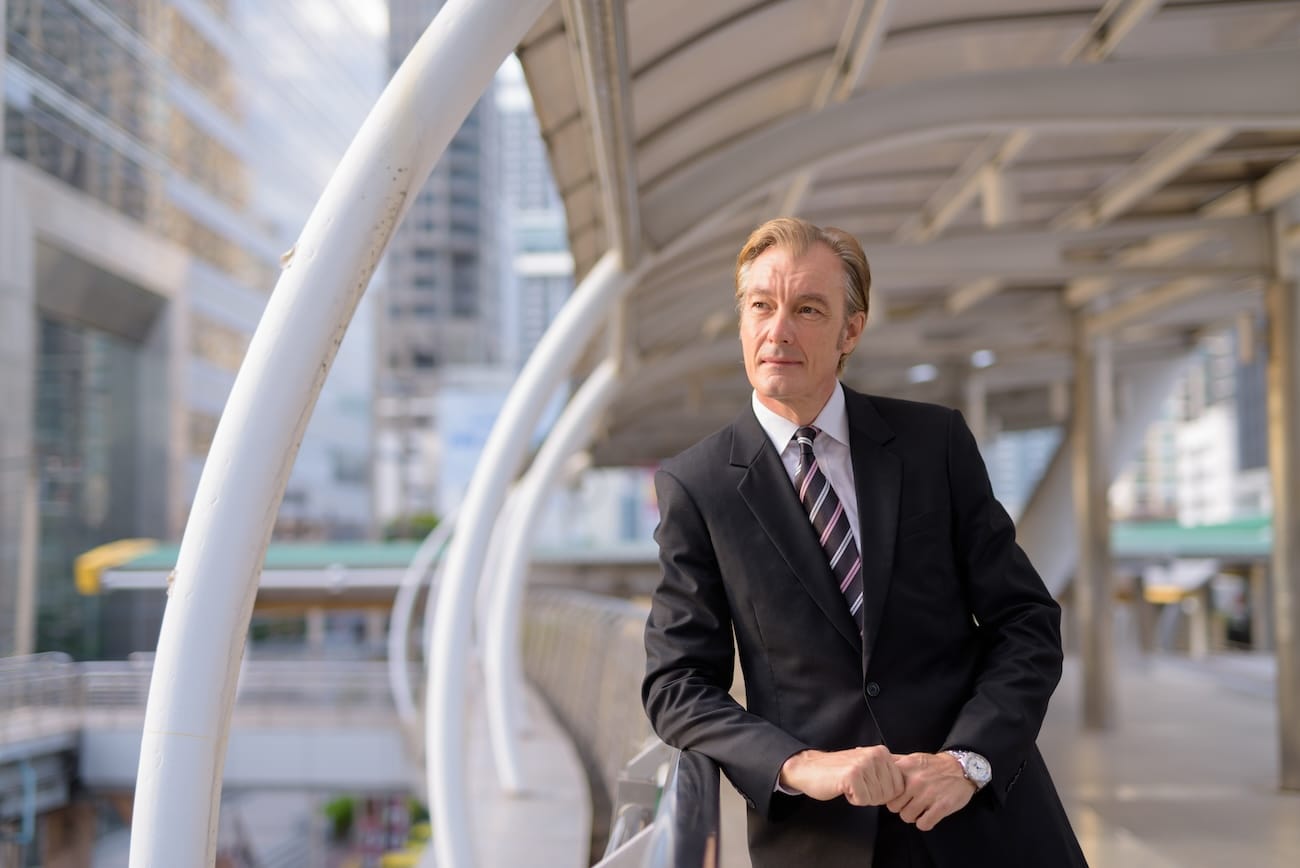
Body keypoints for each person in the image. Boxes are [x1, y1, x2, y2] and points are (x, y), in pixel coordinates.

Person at [642, 217, 1087, 867]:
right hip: (823, 841)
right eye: (761, 306)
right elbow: (677, 684)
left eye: (808, 309)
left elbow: (1025, 621)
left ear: (851, 328)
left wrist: (969, 760)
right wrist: (799, 765)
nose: (778, 330)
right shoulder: (698, 486)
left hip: (986, 830)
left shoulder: (934, 445)